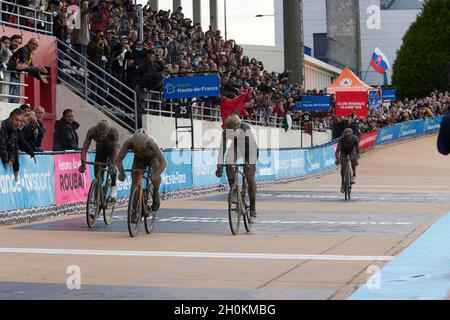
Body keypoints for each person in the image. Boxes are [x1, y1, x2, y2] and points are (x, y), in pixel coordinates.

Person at [215, 114, 259, 222]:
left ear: (238, 125)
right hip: (237, 146)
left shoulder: (246, 129)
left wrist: (248, 164)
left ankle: (253, 209)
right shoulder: (226, 131)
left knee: (249, 176)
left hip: (250, 148)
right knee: (228, 161)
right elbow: (222, 149)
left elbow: (252, 149)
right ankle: (234, 190)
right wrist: (219, 165)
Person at [115, 128, 167, 216]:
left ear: (146, 142)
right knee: (135, 181)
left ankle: (155, 193)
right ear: (134, 141)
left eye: (142, 147)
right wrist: (121, 172)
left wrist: (156, 174)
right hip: (139, 159)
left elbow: (164, 162)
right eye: (137, 147)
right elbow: (118, 160)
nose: (139, 149)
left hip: (152, 158)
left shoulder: (152, 143)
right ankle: (135, 207)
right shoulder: (129, 142)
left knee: (155, 176)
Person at [79, 120, 120, 200]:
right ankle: (99, 196)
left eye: (104, 133)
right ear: (96, 130)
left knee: (112, 168)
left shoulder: (114, 132)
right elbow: (85, 148)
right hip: (100, 151)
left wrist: (113, 163)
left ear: (108, 131)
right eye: (100, 133)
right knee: (98, 175)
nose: (101, 136)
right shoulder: (92, 131)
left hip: (112, 150)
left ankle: (113, 185)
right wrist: (83, 162)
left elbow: (115, 149)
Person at [0, 108, 35, 182]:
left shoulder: (15, 129)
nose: (19, 123)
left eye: (20, 121)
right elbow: (2, 145)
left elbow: (13, 147)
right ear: (10, 119)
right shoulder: (3, 127)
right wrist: (6, 160)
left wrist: (31, 153)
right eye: (17, 120)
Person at [335, 127, 360, 193]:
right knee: (343, 167)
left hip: (352, 150)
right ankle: (343, 183)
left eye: (349, 136)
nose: (348, 137)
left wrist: (356, 159)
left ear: (352, 135)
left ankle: (354, 175)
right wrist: (337, 159)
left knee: (353, 160)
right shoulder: (341, 139)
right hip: (343, 151)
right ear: (344, 136)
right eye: (346, 136)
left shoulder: (355, 138)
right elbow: (337, 151)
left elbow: (358, 151)